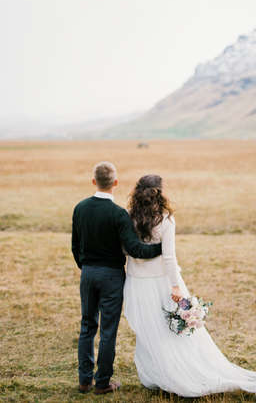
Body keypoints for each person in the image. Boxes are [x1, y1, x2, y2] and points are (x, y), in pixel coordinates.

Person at [123, 174, 256, 398]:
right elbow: (169, 257)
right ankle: (165, 373)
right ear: (160, 192)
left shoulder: (129, 217)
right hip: (161, 281)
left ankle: (161, 373)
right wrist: (176, 287)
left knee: (149, 330)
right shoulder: (165, 219)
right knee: (168, 332)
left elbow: (127, 249)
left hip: (137, 282)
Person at [71, 162, 162, 395]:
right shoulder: (118, 214)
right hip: (112, 276)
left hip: (88, 273)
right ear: (115, 183)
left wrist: (86, 266)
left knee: (87, 326)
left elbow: (75, 246)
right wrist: (162, 248)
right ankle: (102, 383)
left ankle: (84, 381)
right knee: (108, 331)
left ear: (94, 181)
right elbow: (135, 249)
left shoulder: (80, 208)